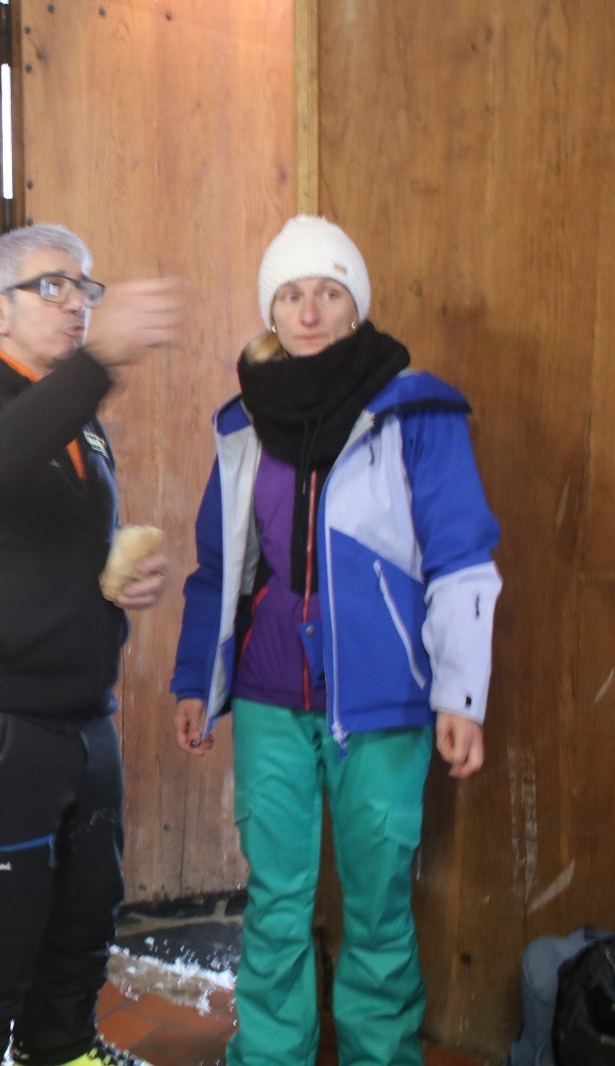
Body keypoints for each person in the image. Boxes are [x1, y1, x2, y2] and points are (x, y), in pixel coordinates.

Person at [170, 215, 501, 1065]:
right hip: (270, 695)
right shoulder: (244, 424)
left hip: (384, 700)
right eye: (290, 294)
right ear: (271, 311)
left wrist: (461, 695)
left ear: (356, 306)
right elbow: (218, 567)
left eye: (328, 292)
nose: (309, 311)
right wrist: (195, 682)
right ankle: (269, 1054)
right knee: (276, 901)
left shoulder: (415, 411)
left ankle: (379, 1056)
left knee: (379, 905)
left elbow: (462, 559)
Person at [0, 223, 185, 1066]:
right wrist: (98, 362)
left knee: (85, 914)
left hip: (82, 710)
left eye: (86, 287)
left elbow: (47, 549)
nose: (78, 304)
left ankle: (63, 1052)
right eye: (54, 286)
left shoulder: (81, 425)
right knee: (1, 938)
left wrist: (120, 580)